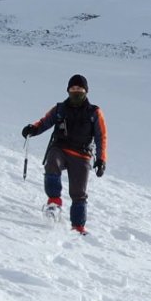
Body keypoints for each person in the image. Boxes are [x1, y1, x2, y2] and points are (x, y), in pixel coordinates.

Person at [22, 74, 107, 234]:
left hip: (82, 155)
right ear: (68, 90)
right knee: (52, 163)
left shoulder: (94, 112)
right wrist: (32, 129)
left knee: (78, 193)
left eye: (80, 89)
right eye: (73, 89)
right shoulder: (60, 109)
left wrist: (101, 159)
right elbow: (44, 121)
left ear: (86, 91)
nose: (76, 92)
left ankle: (78, 227)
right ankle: (54, 203)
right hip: (60, 149)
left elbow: (101, 136)